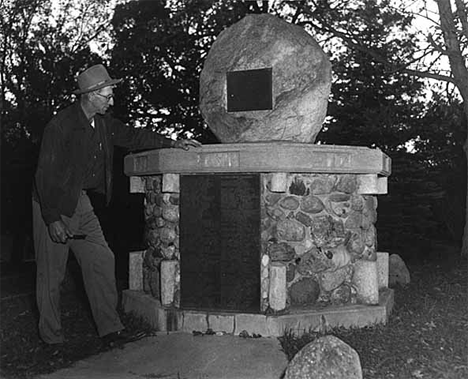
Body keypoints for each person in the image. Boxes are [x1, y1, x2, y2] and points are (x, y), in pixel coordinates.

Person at [32, 64, 201, 345]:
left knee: (101, 258)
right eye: (108, 95)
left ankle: (110, 329)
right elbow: (44, 176)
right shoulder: (59, 127)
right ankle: (52, 340)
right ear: (91, 94)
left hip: (79, 202)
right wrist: (52, 219)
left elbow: (135, 137)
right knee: (52, 275)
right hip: (52, 204)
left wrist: (173, 143)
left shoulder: (103, 124)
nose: (112, 101)